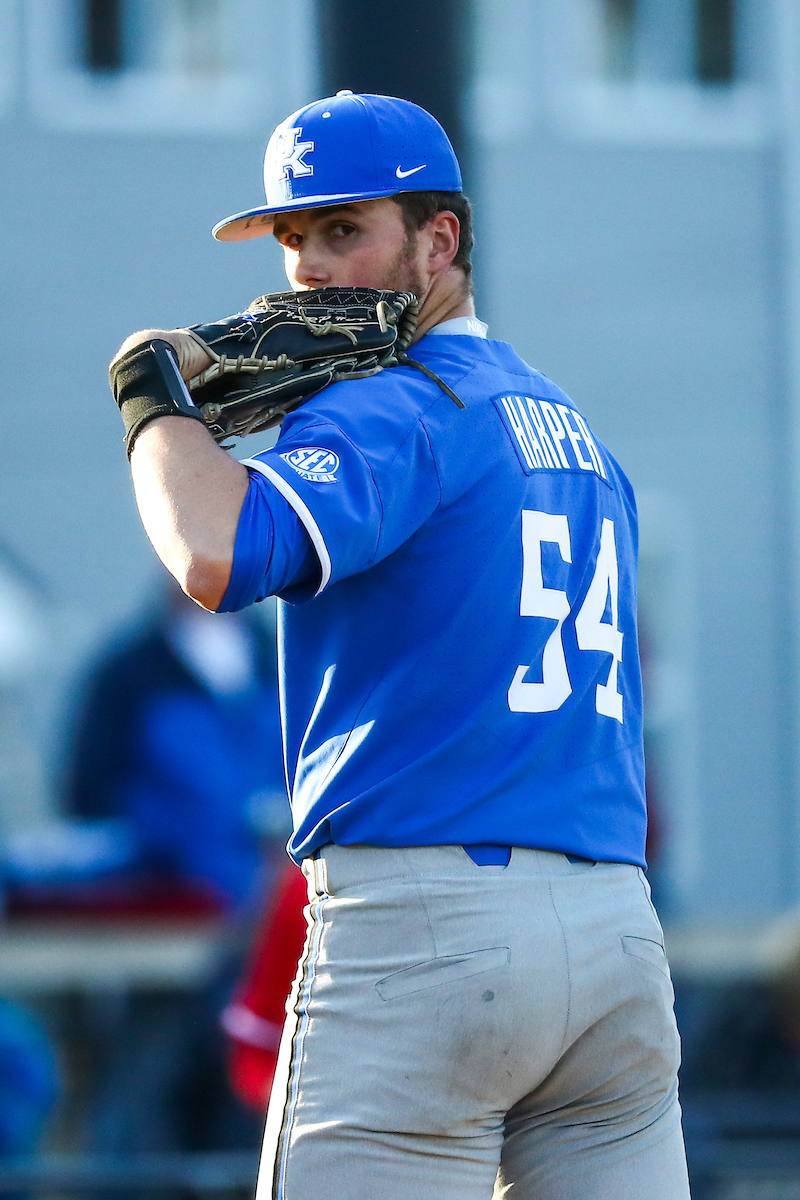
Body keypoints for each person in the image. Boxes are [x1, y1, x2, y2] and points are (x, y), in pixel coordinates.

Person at [110, 92, 690, 1199]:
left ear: (439, 241)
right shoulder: (568, 426)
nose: (310, 269)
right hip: (613, 938)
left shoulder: (392, 403)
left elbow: (213, 555)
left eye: (344, 230)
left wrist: (153, 397)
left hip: (429, 933)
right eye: (293, 239)